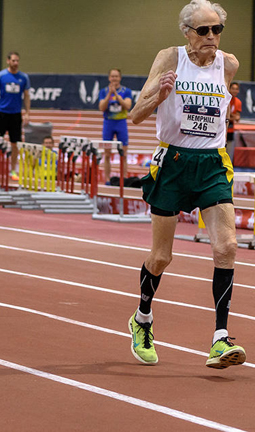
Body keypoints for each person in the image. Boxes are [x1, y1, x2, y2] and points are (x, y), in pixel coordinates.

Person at [128, 0, 245, 369]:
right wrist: (158, 96)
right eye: (203, 31)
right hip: (174, 162)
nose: (211, 37)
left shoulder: (228, 65)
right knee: (162, 257)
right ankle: (142, 318)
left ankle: (220, 339)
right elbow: (134, 115)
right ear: (187, 33)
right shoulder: (169, 58)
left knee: (226, 245)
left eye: (217, 30)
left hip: (211, 162)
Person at [0, 51, 30, 181]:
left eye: (17, 61)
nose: (15, 63)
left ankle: (13, 170)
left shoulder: (23, 77)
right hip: (2, 113)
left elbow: (27, 95)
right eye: (13, 60)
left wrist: (27, 112)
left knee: (15, 144)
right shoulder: (0, 76)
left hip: (16, 115)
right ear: (8, 61)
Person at [98, 69, 132, 182]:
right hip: (108, 123)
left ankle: (124, 178)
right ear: (109, 78)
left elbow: (127, 106)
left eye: (116, 76)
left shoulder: (126, 91)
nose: (114, 79)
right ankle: (107, 179)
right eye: (112, 76)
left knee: (124, 153)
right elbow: (101, 107)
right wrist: (109, 94)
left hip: (121, 123)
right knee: (107, 154)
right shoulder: (103, 91)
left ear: (120, 78)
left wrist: (116, 95)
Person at [225, 81, 241, 161]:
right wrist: (231, 116)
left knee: (229, 152)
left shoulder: (238, 102)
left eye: (236, 89)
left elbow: (237, 118)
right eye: (233, 89)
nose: (235, 91)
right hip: (222, 129)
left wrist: (229, 116)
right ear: (229, 89)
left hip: (231, 129)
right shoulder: (225, 99)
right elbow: (223, 116)